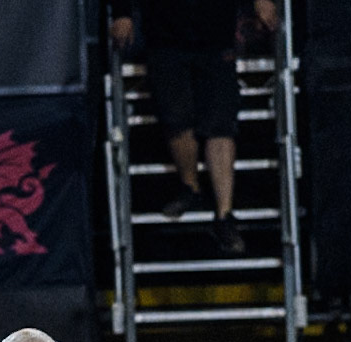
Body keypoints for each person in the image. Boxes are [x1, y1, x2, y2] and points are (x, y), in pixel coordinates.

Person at [109, 0, 280, 255]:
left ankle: (225, 215)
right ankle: (191, 187)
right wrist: (122, 14)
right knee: (176, 117)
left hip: (215, 34)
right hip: (165, 35)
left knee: (221, 124)